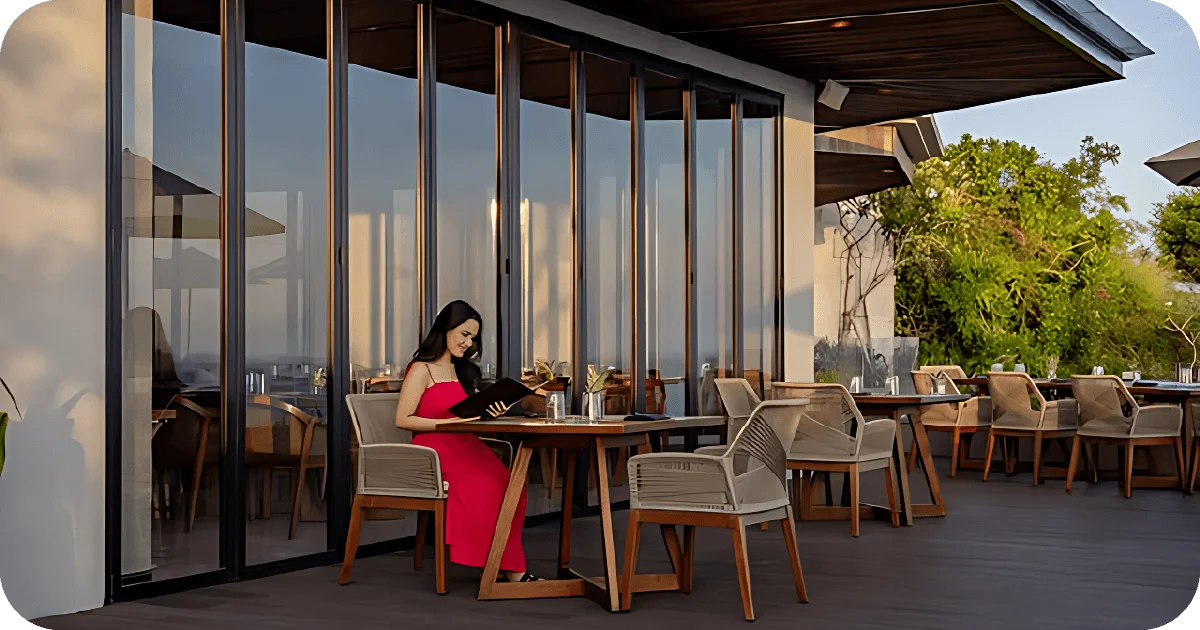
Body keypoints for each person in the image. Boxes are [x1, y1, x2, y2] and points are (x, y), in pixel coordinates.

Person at [394, 300, 543, 583]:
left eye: (472, 337)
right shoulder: (420, 370)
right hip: (435, 448)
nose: (468, 342)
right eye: (464, 334)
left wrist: (490, 412)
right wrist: (447, 424)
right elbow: (402, 419)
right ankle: (511, 571)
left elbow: (464, 415)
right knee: (486, 487)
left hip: (464, 443)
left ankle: (500, 562)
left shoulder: (459, 371)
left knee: (514, 489)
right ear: (446, 329)